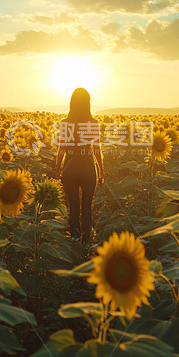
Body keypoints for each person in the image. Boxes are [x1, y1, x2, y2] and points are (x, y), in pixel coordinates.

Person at [55, 87, 104, 245]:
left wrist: (58, 170)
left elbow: (61, 149)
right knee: (87, 208)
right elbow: (96, 149)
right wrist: (101, 170)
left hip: (70, 168)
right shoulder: (93, 123)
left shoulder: (65, 123)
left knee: (74, 207)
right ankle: (86, 241)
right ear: (88, 104)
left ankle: (75, 239)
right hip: (88, 168)